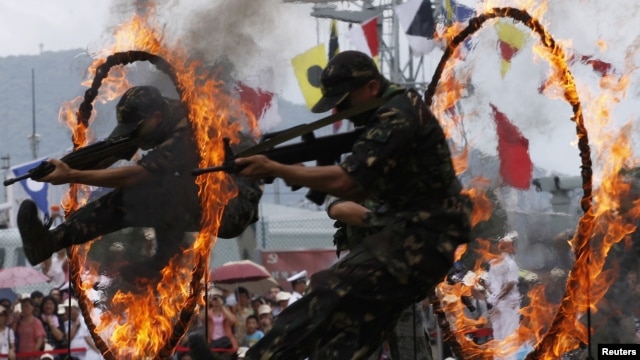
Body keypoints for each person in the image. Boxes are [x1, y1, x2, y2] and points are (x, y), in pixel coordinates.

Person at [239, 50, 472, 359]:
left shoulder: (397, 114)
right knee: (349, 342)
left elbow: (349, 183)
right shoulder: (396, 111)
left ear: (372, 88)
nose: (341, 110)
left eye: (345, 100)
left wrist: (275, 168)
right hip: (420, 238)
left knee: (324, 294)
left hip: (420, 237)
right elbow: (353, 193)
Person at [17, 85, 262, 282]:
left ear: (155, 117)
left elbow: (137, 177)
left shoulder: (188, 130)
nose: (135, 136)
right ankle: (159, 263)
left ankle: (52, 241)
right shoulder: (159, 117)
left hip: (232, 206)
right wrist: (71, 165)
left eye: (136, 129)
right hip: (201, 191)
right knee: (164, 192)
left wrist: (71, 175)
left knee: (136, 196)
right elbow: (112, 151)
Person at [327, 198, 433, 360]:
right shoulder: (350, 175)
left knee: (414, 353)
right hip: (364, 284)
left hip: (402, 282)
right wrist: (385, 221)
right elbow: (337, 208)